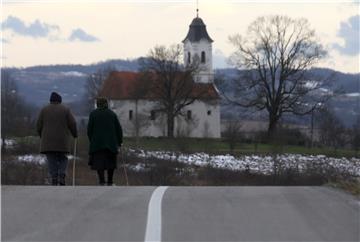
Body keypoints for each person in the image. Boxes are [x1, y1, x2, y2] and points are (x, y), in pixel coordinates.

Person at [36, 92, 77, 185]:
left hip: (48, 141)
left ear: (50, 100)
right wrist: (75, 134)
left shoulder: (44, 110)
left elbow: (38, 125)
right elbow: (73, 123)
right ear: (60, 100)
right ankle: (62, 175)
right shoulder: (66, 109)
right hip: (62, 141)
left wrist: (42, 136)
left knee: (51, 159)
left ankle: (54, 177)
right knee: (63, 158)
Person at [87, 97, 123, 186]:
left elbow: (89, 130)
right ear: (106, 104)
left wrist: (92, 140)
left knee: (99, 164)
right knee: (111, 163)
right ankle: (110, 181)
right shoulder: (112, 114)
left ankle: (101, 181)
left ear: (98, 104)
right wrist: (119, 142)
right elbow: (118, 129)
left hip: (97, 144)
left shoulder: (93, 114)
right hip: (111, 144)